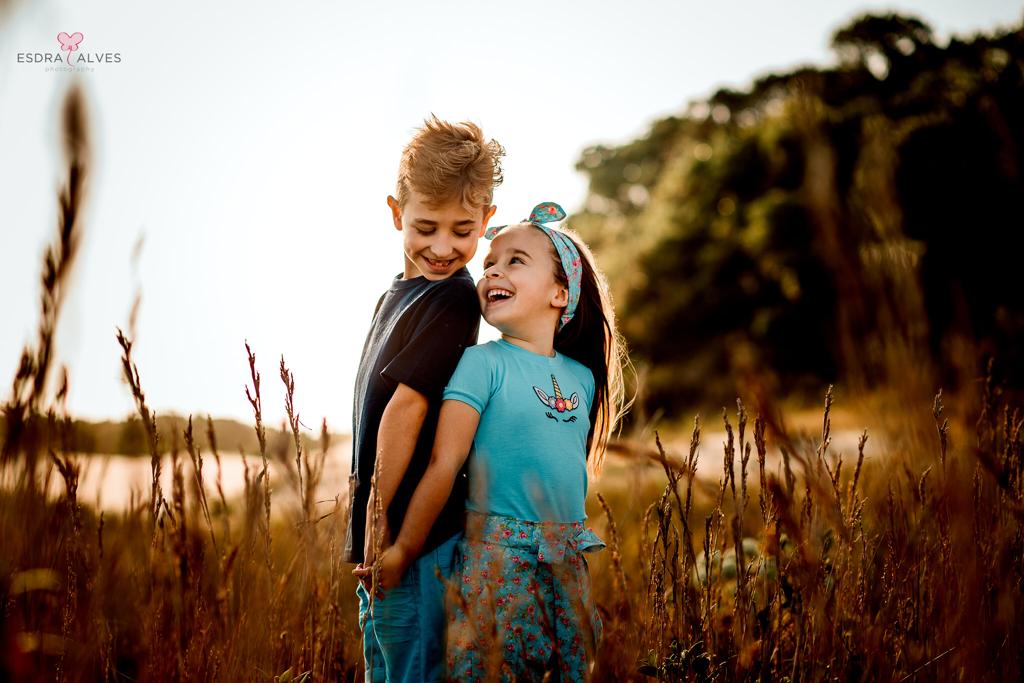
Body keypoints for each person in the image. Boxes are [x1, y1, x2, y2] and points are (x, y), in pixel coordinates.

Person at [365, 202, 629, 681]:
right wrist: (403, 547)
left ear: (559, 293)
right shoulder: (481, 363)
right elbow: (444, 466)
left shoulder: (583, 378)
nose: (491, 272)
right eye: (490, 263)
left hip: (566, 558)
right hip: (497, 558)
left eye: (514, 261)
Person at [344, 115, 504, 683]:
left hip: (414, 539)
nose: (442, 247)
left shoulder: (454, 302)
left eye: (462, 230)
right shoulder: (397, 295)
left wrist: (382, 524)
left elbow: (406, 411)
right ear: (396, 214)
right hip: (381, 536)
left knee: (414, 669)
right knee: (384, 668)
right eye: (425, 227)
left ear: (486, 221)